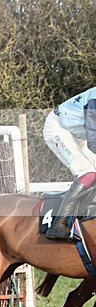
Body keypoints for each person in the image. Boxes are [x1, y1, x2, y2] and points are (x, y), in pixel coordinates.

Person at [43, 87, 96, 239]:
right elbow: (93, 143)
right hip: (59, 129)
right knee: (88, 174)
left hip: (82, 134)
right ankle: (57, 225)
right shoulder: (94, 102)